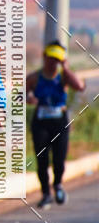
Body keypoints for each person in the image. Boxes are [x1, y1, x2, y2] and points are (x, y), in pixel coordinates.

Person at [26, 41, 85, 208]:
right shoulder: (35, 77)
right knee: (42, 159)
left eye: (57, 59)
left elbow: (80, 86)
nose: (53, 63)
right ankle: (46, 193)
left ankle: (58, 184)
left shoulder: (64, 76)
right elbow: (20, 94)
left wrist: (65, 68)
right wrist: (29, 98)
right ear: (44, 57)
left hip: (60, 121)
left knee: (59, 159)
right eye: (51, 58)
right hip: (41, 122)